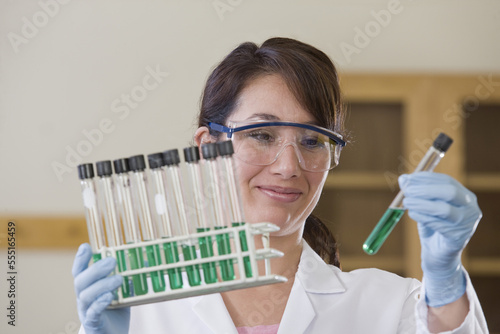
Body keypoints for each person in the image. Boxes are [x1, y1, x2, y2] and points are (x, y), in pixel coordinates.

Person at [72, 37, 488, 333]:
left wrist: (446, 280)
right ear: (207, 146)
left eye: (312, 141)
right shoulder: (142, 309)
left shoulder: (389, 305)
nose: (289, 166)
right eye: (261, 135)